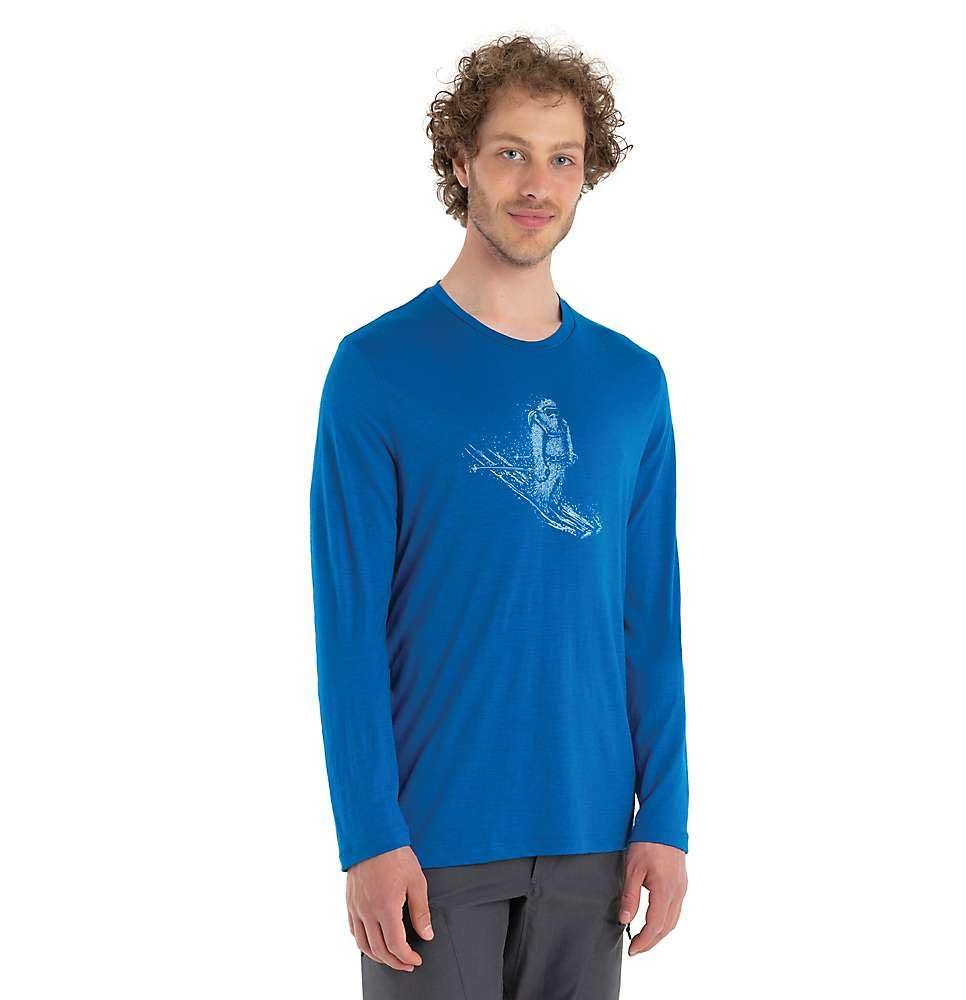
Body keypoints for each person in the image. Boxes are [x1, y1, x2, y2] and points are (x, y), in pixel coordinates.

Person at [309, 33, 689, 999]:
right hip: (430, 844)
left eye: (563, 158)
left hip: (593, 843)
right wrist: (369, 834)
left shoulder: (631, 385)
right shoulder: (377, 370)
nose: (536, 184)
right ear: (461, 162)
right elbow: (348, 628)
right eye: (511, 151)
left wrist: (664, 818)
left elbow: (651, 625)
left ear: (587, 173)